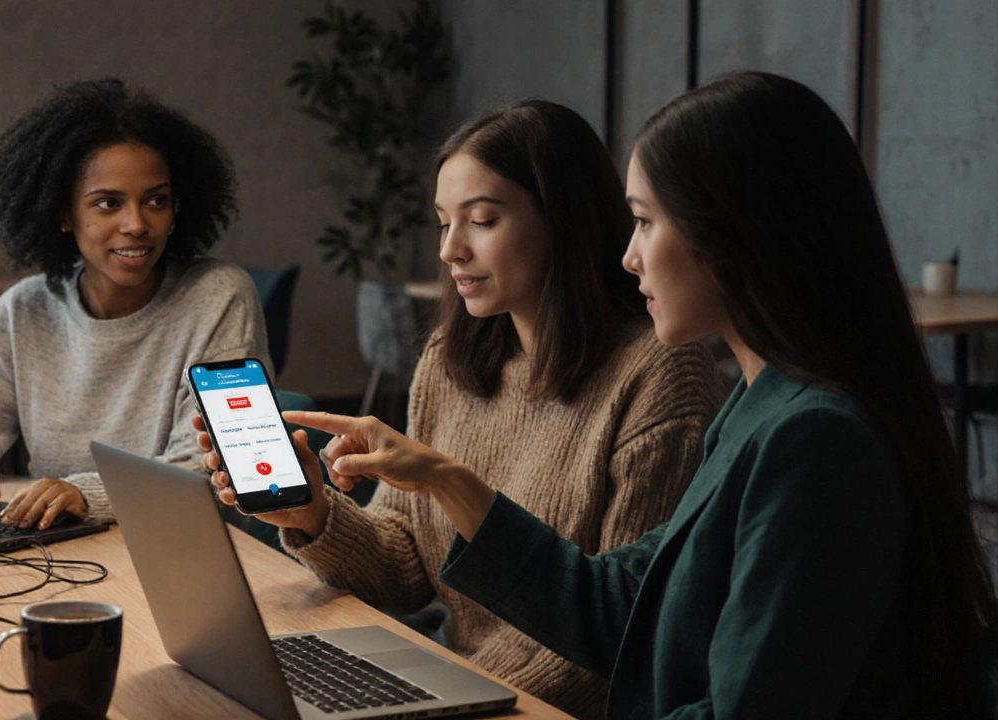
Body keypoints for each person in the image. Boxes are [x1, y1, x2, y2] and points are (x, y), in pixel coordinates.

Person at [252, 72, 998, 718]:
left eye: (644, 222)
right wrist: (440, 480)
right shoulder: (760, 406)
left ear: (733, 234)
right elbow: (618, 608)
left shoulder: (815, 438)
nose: (629, 254)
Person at [200, 100, 727, 718]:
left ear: (564, 219)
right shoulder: (451, 358)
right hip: (452, 682)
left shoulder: (661, 375)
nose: (451, 250)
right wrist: (314, 514)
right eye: (443, 223)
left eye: (481, 220)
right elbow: (406, 568)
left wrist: (455, 691)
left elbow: (619, 631)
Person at [0, 78, 267, 531]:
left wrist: (85, 495)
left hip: (185, 544)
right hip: (61, 548)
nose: (136, 224)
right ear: (63, 213)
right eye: (108, 203)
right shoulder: (25, 309)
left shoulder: (218, 297)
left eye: (156, 200)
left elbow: (211, 467)